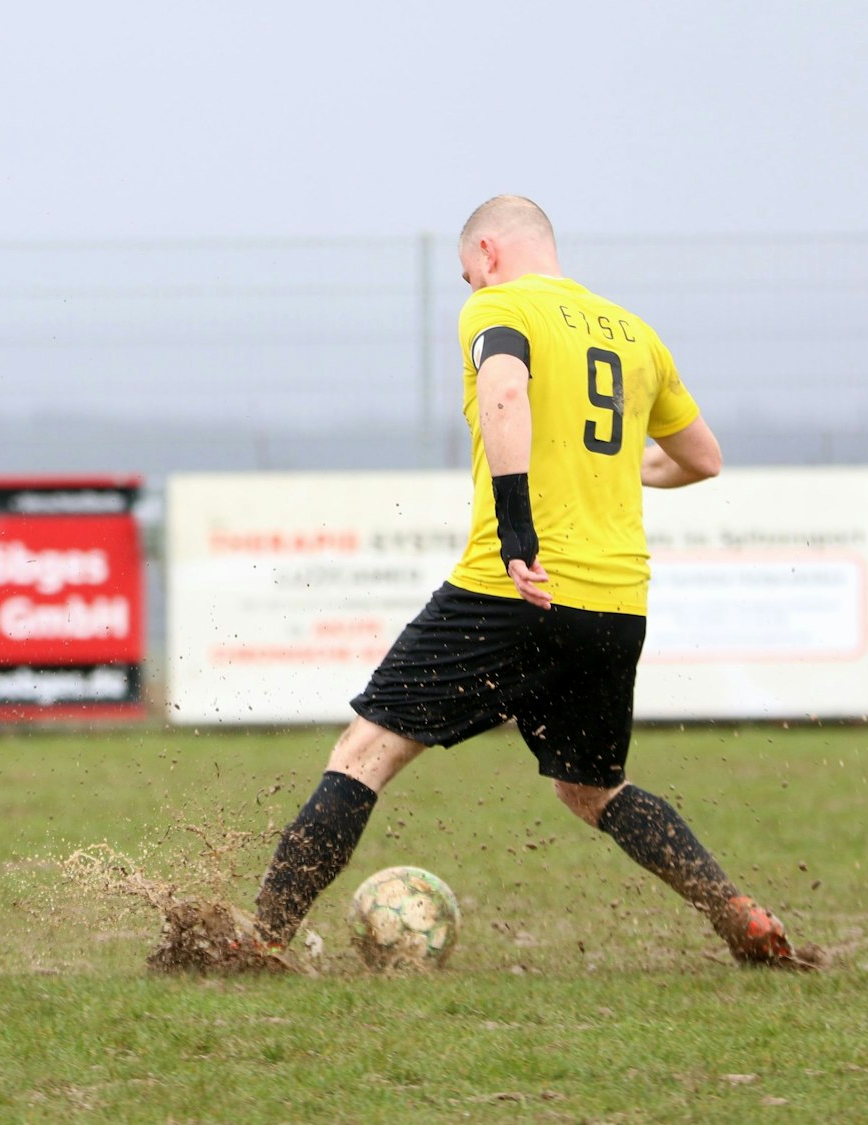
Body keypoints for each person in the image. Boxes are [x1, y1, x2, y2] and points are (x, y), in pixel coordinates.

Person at [226, 195, 814, 972]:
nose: (470, 287)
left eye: (467, 272)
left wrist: (516, 531)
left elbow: (505, 391)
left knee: (364, 751)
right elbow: (702, 458)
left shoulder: (499, 307)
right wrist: (609, 464)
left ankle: (260, 940)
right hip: (614, 605)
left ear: (490, 253)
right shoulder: (634, 333)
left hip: (512, 590)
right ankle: (734, 909)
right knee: (593, 789)